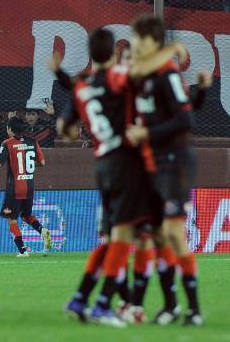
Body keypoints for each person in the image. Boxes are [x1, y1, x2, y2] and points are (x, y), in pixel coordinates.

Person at [57, 28, 156, 327]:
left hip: (103, 165)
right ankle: (102, 305)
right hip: (127, 163)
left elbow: (65, 128)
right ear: (114, 52)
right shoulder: (119, 78)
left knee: (116, 236)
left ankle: (80, 298)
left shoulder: (82, 86)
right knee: (128, 236)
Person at [126, 14, 204, 326]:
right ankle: (171, 306)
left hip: (176, 162)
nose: (135, 46)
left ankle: (194, 309)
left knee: (172, 234)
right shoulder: (146, 76)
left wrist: (146, 134)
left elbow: (187, 121)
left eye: (140, 41)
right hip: (154, 164)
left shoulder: (168, 75)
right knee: (157, 236)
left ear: (153, 43)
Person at [0, 117, 51, 257]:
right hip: (29, 186)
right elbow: (42, 162)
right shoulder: (33, 142)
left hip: (15, 187)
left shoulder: (7, 143)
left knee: (12, 219)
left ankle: (22, 251)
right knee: (26, 215)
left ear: (10, 129)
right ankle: (42, 230)